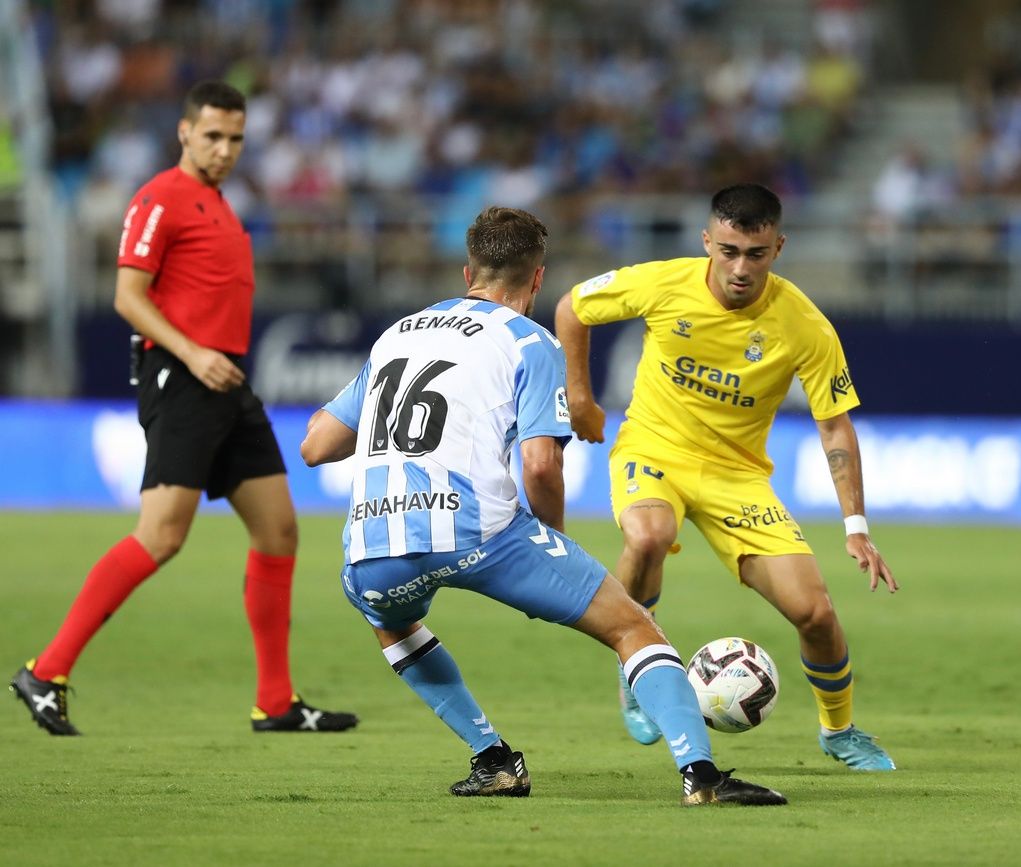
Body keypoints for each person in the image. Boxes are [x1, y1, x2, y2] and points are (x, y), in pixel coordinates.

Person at [300, 206, 784, 805]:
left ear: (466, 272)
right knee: (634, 625)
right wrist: (553, 540)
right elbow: (539, 463)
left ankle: (495, 761)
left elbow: (316, 444)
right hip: (479, 533)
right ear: (536, 280)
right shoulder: (529, 340)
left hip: (372, 546)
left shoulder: (397, 334)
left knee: (393, 625)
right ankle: (702, 779)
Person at [10, 81, 357, 736]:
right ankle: (45, 670)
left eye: (235, 139)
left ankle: (276, 702)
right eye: (212, 137)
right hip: (184, 375)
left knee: (279, 529)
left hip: (226, 379)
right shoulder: (158, 198)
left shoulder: (220, 207)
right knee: (163, 534)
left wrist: (211, 359)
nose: (224, 150)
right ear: (183, 132)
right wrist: (193, 354)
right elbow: (127, 297)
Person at [554, 183, 900, 771]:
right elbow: (571, 308)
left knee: (815, 614)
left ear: (779, 248)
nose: (741, 268)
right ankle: (635, 660)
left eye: (757, 254)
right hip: (655, 448)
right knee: (647, 535)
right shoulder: (663, 283)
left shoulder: (804, 325)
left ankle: (838, 731)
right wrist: (581, 398)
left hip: (737, 477)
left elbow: (835, 429)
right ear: (707, 242)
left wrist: (856, 526)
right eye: (730, 251)